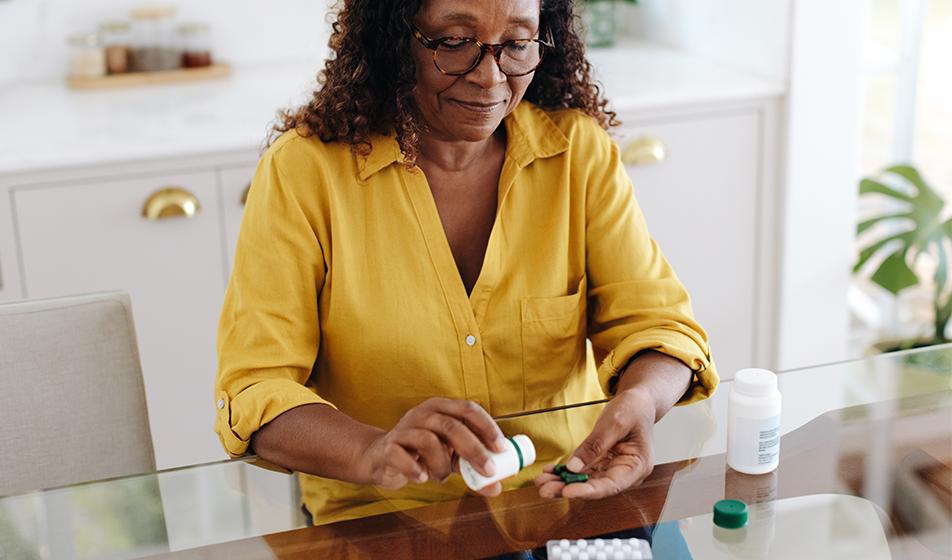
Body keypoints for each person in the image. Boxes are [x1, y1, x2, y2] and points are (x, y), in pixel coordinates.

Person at [214, 0, 718, 525]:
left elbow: (660, 326)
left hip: (565, 498)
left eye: (517, 44)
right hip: (382, 521)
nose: (489, 76)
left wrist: (640, 401)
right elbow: (256, 388)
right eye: (454, 43)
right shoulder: (305, 173)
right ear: (393, 39)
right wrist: (372, 450)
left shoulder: (577, 154)